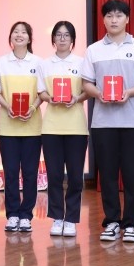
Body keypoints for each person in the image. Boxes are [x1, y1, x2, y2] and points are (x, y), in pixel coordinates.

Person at [81, 0, 134, 243]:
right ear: (103, 19)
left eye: (119, 15)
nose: (114, 20)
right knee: (108, 175)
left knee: (133, 175)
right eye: (109, 15)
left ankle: (130, 224)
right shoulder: (94, 50)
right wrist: (98, 93)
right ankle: (111, 221)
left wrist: (129, 92)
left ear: (127, 19)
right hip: (103, 123)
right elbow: (86, 83)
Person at [38, 21, 89, 238]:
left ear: (73, 40)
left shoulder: (82, 63)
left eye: (66, 35)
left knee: (76, 176)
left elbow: (88, 90)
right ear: (53, 39)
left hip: (76, 127)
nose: (62, 38)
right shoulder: (45, 64)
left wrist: (77, 98)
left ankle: (71, 219)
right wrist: (50, 98)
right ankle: (57, 217)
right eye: (58, 35)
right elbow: (41, 92)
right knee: (55, 175)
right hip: (51, 127)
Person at [0, 21, 44, 233]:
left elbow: (42, 93)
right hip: (8, 127)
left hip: (33, 127)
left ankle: (26, 215)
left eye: (24, 32)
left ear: (30, 38)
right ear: (10, 37)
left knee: (30, 173)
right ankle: (12, 214)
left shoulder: (39, 62)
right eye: (16, 32)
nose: (19, 35)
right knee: (11, 173)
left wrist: (32, 108)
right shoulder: (1, 62)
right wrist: (8, 107)